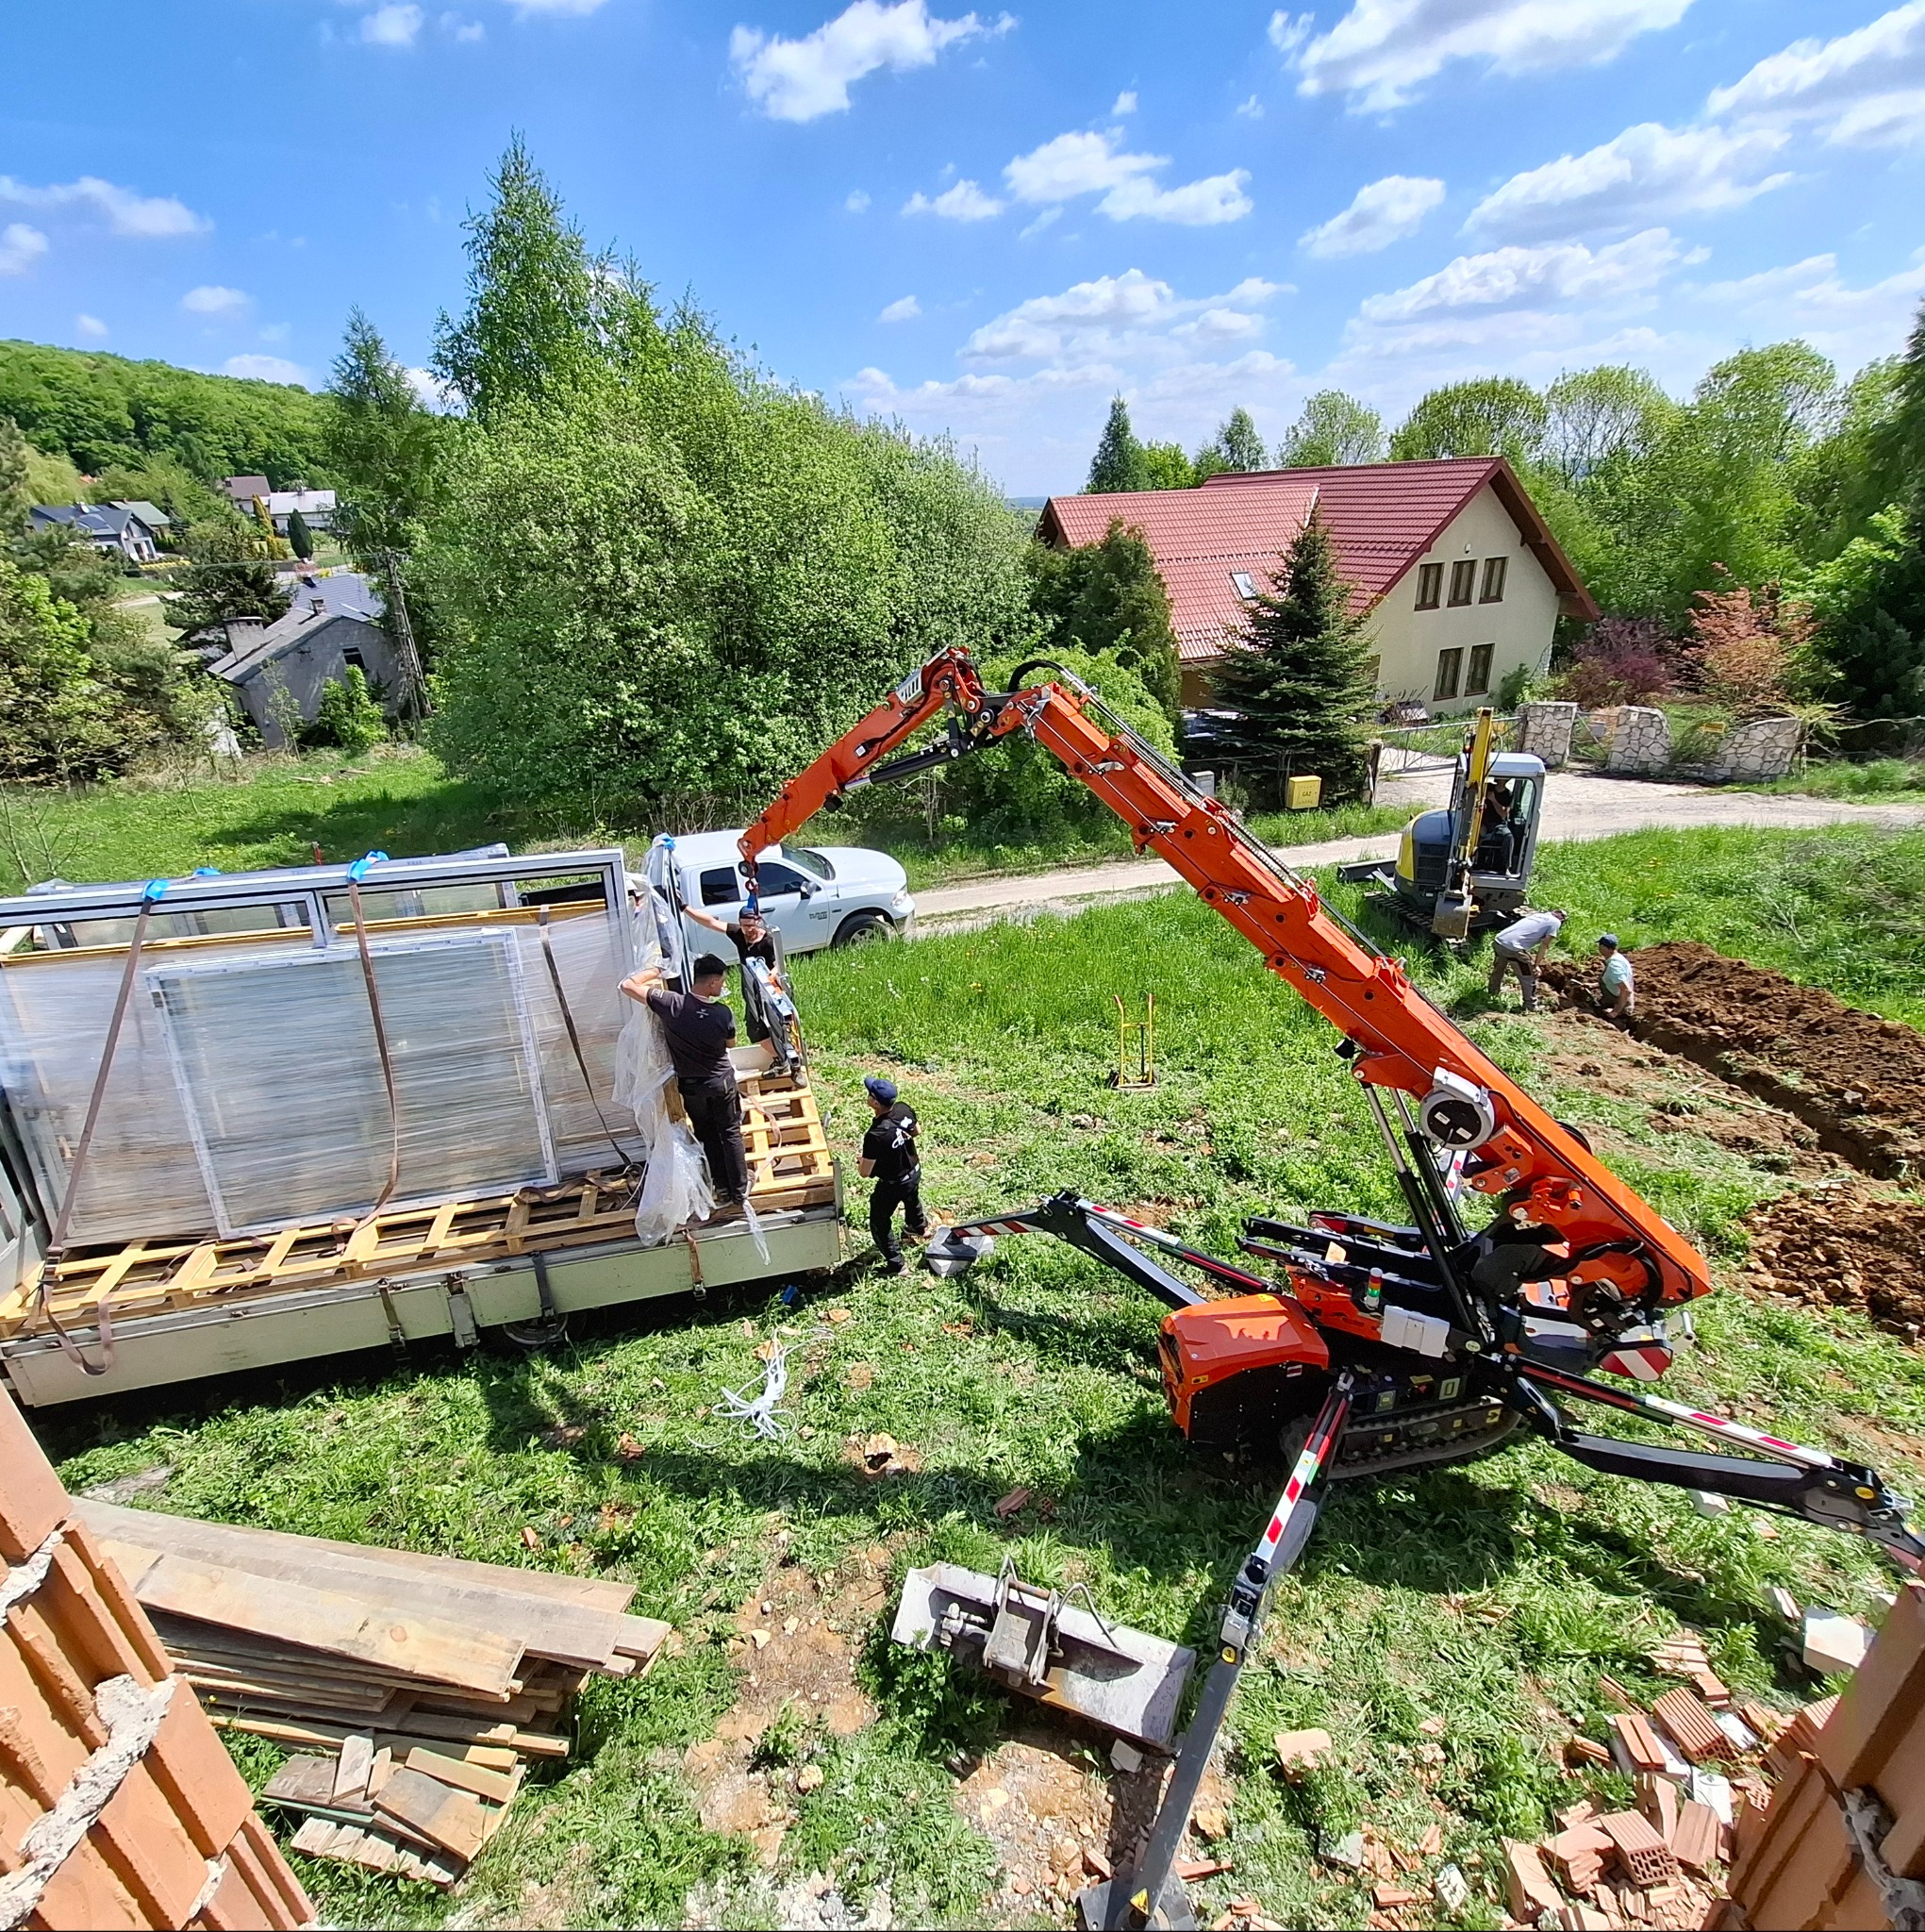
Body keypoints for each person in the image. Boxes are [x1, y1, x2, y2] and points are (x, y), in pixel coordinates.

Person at [619, 952, 750, 1208]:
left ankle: (722, 1189)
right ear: (712, 982)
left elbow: (627, 985)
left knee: (706, 1133)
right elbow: (731, 1044)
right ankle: (739, 1191)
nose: (722, 987)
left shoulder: (671, 1004)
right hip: (720, 1083)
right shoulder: (722, 1013)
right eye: (721, 982)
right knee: (730, 1133)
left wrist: (657, 970)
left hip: (691, 1088)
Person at [858, 1074, 926, 1274]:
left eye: (869, 1094)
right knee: (911, 1197)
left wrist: (861, 1162)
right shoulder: (903, 1108)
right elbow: (917, 1131)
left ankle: (897, 1265)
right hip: (914, 1171)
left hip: (893, 1184)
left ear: (875, 1103)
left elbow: (865, 1173)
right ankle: (919, 1227)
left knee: (879, 1220)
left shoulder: (876, 1135)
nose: (867, 1095)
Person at [1487, 906, 1567, 1013]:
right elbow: (1544, 945)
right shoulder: (1556, 922)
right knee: (1529, 976)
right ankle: (1530, 1005)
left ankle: (1492, 992)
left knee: (1499, 968)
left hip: (1499, 941)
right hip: (1513, 948)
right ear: (1562, 919)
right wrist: (1536, 965)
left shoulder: (1538, 915)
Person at [1596, 933, 1636, 1024]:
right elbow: (1615, 980)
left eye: (1600, 945)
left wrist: (1615, 1012)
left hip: (1620, 1002)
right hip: (1619, 997)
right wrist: (1594, 985)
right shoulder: (1618, 957)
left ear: (1604, 947)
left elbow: (1626, 990)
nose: (1599, 948)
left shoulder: (1614, 966)